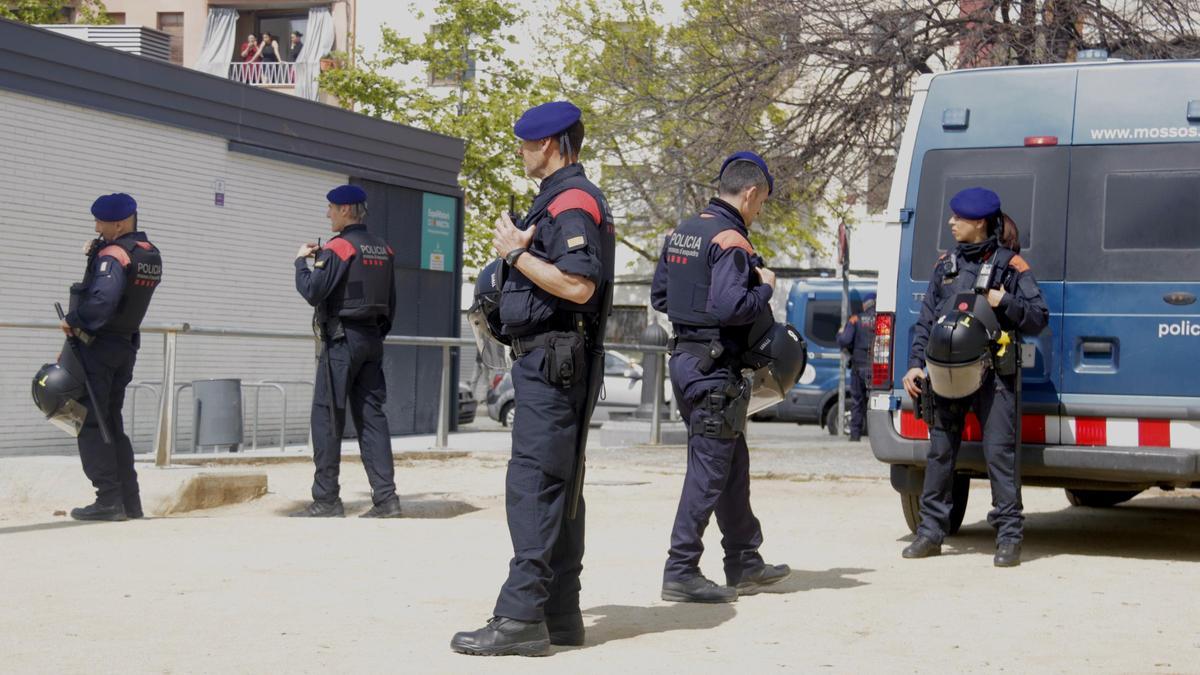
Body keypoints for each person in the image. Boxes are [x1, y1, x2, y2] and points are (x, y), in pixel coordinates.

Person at [451, 101, 614, 657]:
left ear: (548, 145)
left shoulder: (571, 201)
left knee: (534, 485)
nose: (521, 151)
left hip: (552, 361)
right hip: (553, 358)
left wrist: (517, 256)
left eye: (525, 143)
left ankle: (520, 618)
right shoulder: (565, 199)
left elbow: (579, 286)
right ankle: (560, 614)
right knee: (559, 485)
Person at [649, 151, 791, 603]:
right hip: (715, 370)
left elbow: (659, 296)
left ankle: (744, 561)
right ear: (749, 193)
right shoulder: (731, 241)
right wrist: (765, 285)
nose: (759, 210)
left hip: (688, 362)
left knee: (731, 465)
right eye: (762, 202)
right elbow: (733, 307)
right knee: (708, 472)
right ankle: (681, 569)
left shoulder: (682, 233)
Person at [900, 187, 1049, 567]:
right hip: (944, 375)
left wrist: (1005, 302)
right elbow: (926, 322)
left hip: (994, 375)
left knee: (999, 454)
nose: (951, 223)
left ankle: (1009, 537)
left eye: (958, 218)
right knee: (940, 453)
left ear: (979, 223)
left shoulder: (1010, 267)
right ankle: (931, 532)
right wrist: (915, 364)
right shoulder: (944, 266)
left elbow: (1038, 318)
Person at [291, 185, 401, 519]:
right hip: (372, 341)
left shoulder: (339, 247)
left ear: (345, 210)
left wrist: (300, 262)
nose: (327, 214)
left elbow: (313, 291)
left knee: (326, 418)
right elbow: (391, 303)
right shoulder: (384, 249)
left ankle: (326, 500)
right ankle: (386, 500)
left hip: (342, 343)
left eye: (330, 208)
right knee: (372, 420)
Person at [60, 193, 163, 521]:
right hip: (125, 346)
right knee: (113, 423)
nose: (97, 227)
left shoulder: (114, 254)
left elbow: (102, 301)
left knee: (92, 422)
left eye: (101, 222)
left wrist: (74, 320)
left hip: (99, 347)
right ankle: (129, 501)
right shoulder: (149, 253)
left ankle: (107, 500)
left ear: (119, 223)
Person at [836, 296, 876, 442]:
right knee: (876, 402)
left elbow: (845, 340)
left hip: (858, 367)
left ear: (864, 305)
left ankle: (855, 435)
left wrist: (840, 333)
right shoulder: (881, 320)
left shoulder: (855, 319)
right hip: (877, 369)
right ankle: (876, 436)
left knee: (857, 401)